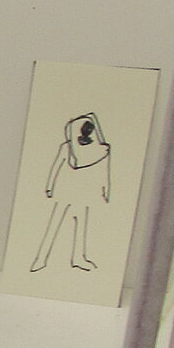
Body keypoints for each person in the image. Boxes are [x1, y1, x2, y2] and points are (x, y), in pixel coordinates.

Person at [31, 111, 112, 273]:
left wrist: (105, 190)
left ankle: (76, 258)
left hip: (81, 192)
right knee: (58, 223)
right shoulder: (81, 148)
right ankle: (41, 259)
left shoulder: (95, 149)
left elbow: (103, 172)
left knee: (77, 224)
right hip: (68, 190)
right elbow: (57, 166)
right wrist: (49, 186)